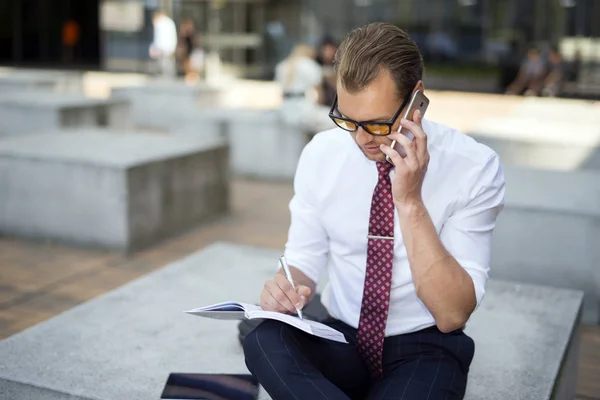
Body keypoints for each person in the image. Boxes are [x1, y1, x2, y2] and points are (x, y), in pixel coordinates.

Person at [243, 22, 505, 400]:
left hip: (424, 348)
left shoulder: (475, 167)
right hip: (340, 336)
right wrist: (285, 289)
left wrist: (410, 201)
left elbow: (452, 313)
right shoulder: (322, 152)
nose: (362, 139)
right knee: (264, 340)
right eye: (348, 120)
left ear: (417, 100)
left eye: (378, 124)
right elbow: (304, 259)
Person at [274, 43, 335, 133]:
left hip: (285, 110)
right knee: (335, 120)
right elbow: (318, 90)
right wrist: (319, 104)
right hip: (303, 110)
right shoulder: (308, 64)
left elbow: (280, 92)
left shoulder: (282, 65)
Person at [150, 10, 178, 79]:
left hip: (162, 46)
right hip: (169, 45)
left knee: (163, 61)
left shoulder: (159, 23)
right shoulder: (170, 22)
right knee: (168, 61)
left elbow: (158, 37)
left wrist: (155, 46)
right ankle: (169, 75)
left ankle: (164, 75)